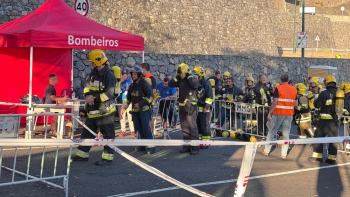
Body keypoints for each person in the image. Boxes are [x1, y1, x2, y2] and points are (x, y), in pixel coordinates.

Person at [72, 49, 117, 166]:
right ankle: (82, 155)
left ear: (98, 61)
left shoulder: (109, 75)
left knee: (108, 135)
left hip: (105, 112)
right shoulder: (93, 73)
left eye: (92, 61)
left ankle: (107, 158)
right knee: (87, 134)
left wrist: (94, 98)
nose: (91, 64)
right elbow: (87, 87)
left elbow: (109, 94)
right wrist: (87, 96)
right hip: (93, 111)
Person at [121, 66, 155, 154]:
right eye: (132, 74)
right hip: (135, 112)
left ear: (139, 75)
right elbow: (128, 99)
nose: (133, 76)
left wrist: (140, 104)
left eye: (135, 74)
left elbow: (150, 97)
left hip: (144, 110)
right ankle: (141, 145)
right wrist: (124, 107)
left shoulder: (144, 84)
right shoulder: (132, 86)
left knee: (146, 128)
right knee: (137, 129)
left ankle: (151, 146)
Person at [262, 74, 297, 159]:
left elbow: (274, 103)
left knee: (272, 131)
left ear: (280, 80)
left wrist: (269, 113)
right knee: (286, 134)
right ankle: (284, 154)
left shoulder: (278, 88)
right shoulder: (294, 89)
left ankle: (266, 150)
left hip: (278, 113)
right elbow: (296, 104)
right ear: (288, 80)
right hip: (288, 114)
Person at [168, 63, 200, 155]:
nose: (180, 75)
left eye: (181, 73)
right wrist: (177, 77)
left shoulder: (191, 78)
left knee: (192, 127)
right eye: (179, 73)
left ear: (186, 72)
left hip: (190, 106)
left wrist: (189, 76)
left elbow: (195, 85)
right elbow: (170, 84)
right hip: (182, 105)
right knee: (184, 126)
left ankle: (195, 147)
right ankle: (186, 145)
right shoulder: (179, 79)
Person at [308, 75, 340, 165]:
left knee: (318, 137)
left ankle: (318, 157)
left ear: (326, 83)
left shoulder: (324, 93)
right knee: (333, 139)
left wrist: (313, 100)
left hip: (324, 121)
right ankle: (332, 158)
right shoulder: (339, 93)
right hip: (336, 121)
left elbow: (317, 104)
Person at [193, 66, 213, 148]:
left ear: (200, 76)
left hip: (204, 109)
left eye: (196, 76)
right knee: (199, 125)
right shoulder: (197, 83)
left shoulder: (206, 83)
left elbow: (209, 97)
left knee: (204, 125)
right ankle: (201, 141)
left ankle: (206, 142)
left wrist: (206, 107)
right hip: (198, 109)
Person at [119, 68, 135, 137]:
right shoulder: (119, 81)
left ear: (128, 74)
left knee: (130, 117)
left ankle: (132, 131)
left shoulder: (131, 81)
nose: (124, 76)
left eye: (126, 74)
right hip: (121, 101)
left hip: (129, 101)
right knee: (122, 117)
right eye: (123, 74)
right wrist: (120, 81)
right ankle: (123, 130)